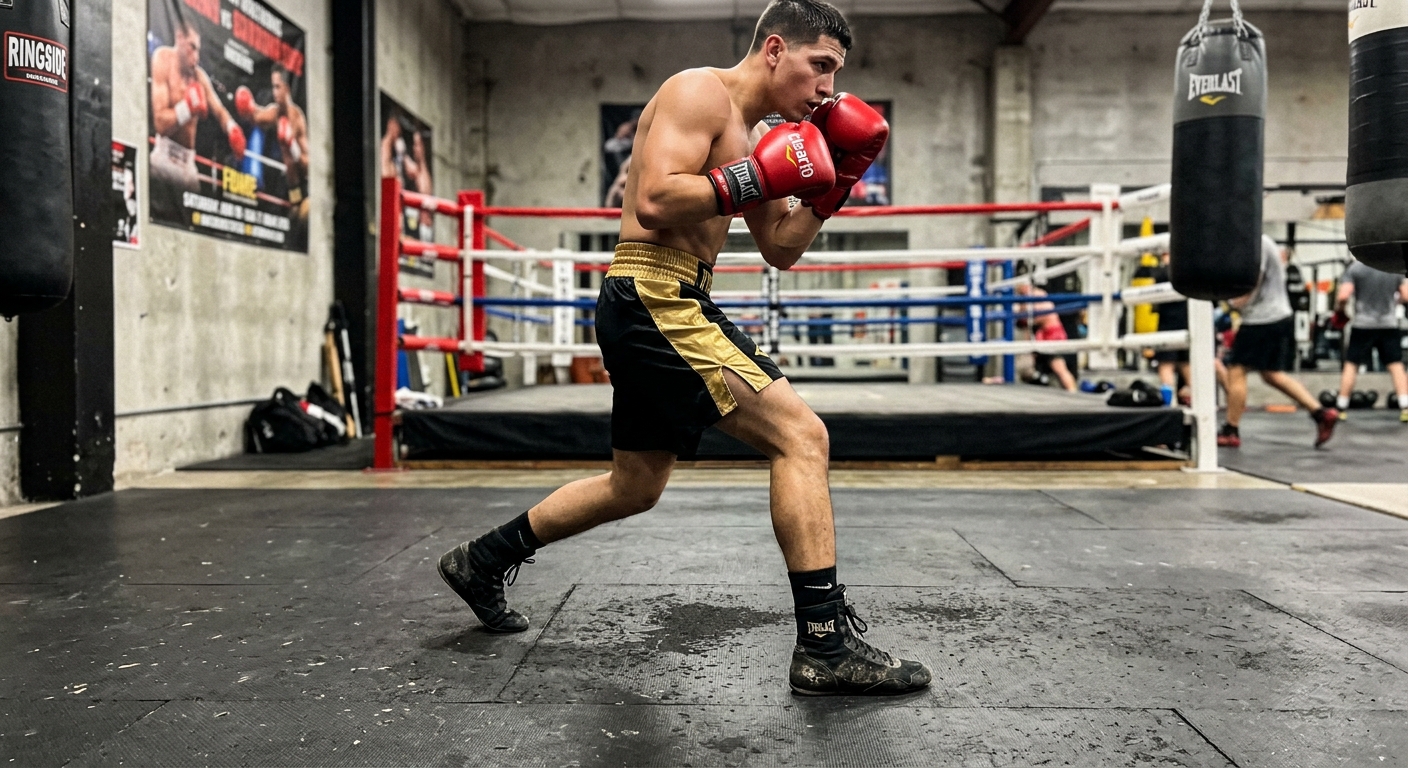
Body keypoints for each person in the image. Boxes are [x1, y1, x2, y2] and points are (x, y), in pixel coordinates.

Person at [437, 0, 930, 697]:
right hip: (653, 293)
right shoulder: (696, 91)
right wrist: (762, 177)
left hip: (672, 297)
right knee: (802, 438)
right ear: (774, 49)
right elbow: (656, 202)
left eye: (836, 73)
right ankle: (824, 645)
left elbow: (780, 247)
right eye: (820, 65)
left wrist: (836, 184)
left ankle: (481, 560)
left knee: (634, 485)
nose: (828, 88)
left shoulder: (765, 135)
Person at [1219, 236, 1339, 448]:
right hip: (1277, 317)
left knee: (1236, 370)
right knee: (1271, 374)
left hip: (1262, 319)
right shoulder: (1256, 242)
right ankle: (1321, 413)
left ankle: (1231, 430)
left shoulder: (1255, 242)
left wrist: (1233, 304)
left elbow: (1253, 280)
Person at [149, 12, 246, 218]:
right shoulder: (162, 59)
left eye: (198, 49)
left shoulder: (199, 77)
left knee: (194, 221)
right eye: (192, 47)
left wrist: (232, 129)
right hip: (163, 159)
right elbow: (160, 124)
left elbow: (219, 111)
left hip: (187, 166)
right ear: (179, 38)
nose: (196, 56)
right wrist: (188, 108)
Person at [1332, 260, 1408, 422]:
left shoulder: (1355, 268)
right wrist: (1393, 303)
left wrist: (1340, 312)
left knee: (1352, 364)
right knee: (1395, 364)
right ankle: (1405, 407)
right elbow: (1406, 295)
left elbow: (1343, 296)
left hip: (1363, 324)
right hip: (1388, 324)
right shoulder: (1392, 267)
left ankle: (1341, 407)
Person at [234, 67, 311, 224]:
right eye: (273, 87)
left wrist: (292, 146)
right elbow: (256, 115)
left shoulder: (297, 118)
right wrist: (247, 107)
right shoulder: (275, 113)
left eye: (278, 87)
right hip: (291, 188)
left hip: (306, 187)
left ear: (287, 89)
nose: (274, 92)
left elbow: (308, 167)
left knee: (303, 217)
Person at [1016, 282, 1078, 392]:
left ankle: (1072, 391)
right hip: (1044, 334)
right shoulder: (1029, 298)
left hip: (1053, 334)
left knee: (1058, 366)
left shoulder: (1038, 296)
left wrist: (1023, 312)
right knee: (1038, 367)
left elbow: (1038, 317)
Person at [1152, 253, 1191, 404]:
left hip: (1167, 323)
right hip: (1187, 322)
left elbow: (1154, 299)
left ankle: (1170, 403)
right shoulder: (1188, 271)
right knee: (1186, 363)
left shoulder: (1162, 273)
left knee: (1166, 364)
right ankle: (1198, 400)